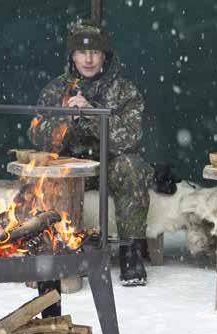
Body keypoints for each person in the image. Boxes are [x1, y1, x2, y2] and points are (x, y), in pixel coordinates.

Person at [29, 20, 153, 286]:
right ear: (72, 56)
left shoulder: (124, 91)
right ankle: (62, 248)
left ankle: (130, 251)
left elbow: (130, 138)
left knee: (134, 166)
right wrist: (66, 122)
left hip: (109, 166)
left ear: (104, 55)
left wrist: (92, 114)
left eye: (95, 52)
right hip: (72, 168)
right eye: (82, 52)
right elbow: (37, 133)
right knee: (46, 170)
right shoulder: (56, 89)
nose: (88, 59)